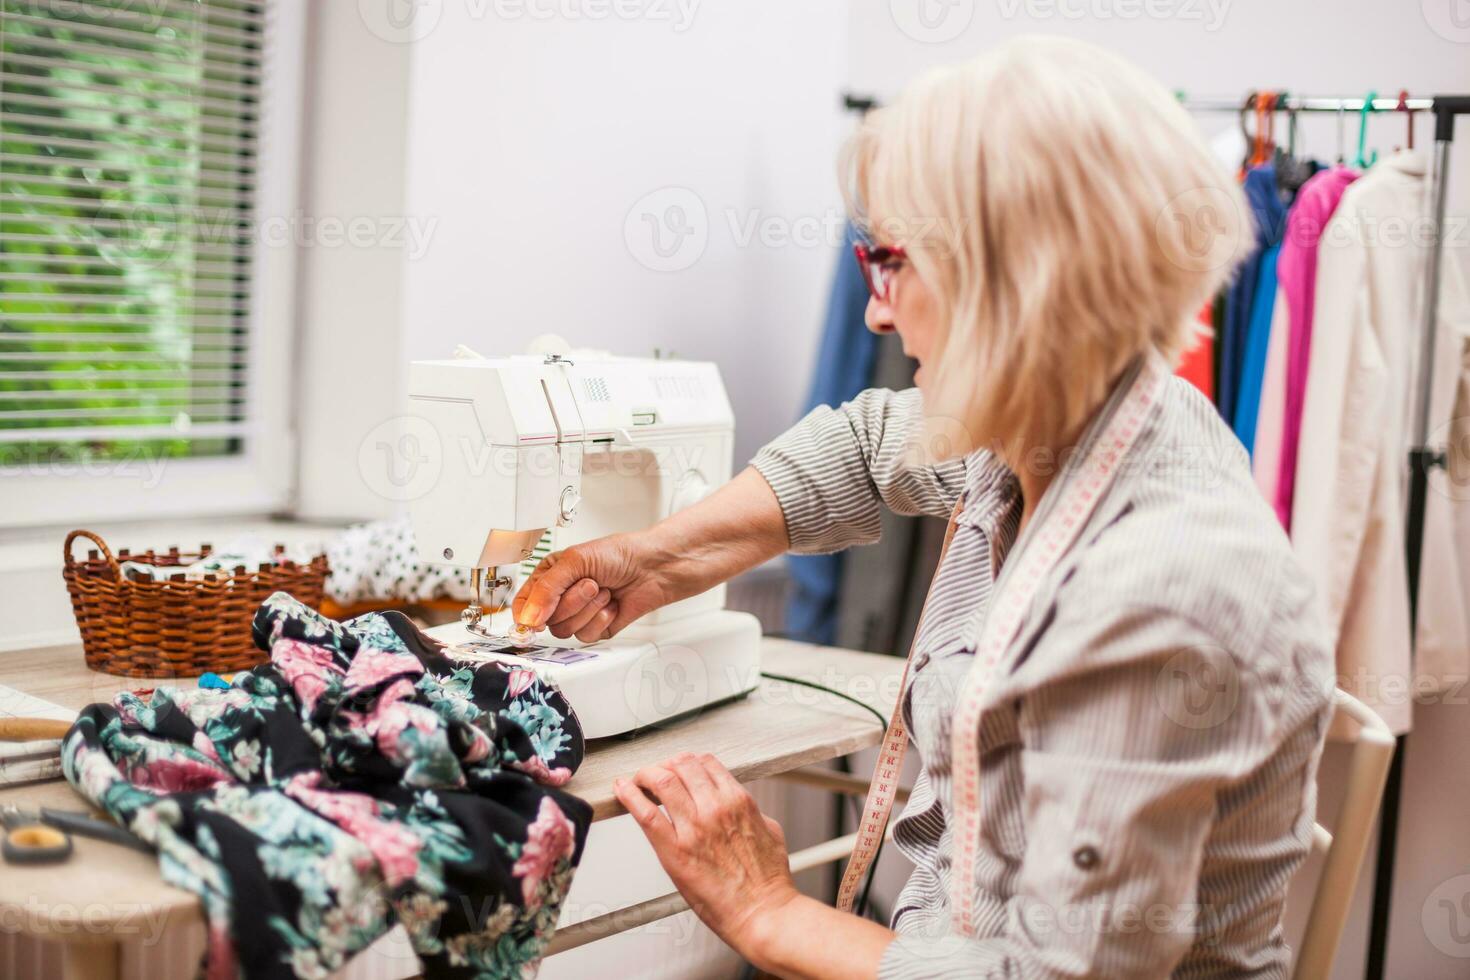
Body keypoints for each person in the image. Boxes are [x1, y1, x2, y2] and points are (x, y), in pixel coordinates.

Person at [512, 35, 1333, 979]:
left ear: (1013, 281)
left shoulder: (1160, 589)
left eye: (891, 263)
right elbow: (863, 448)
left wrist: (768, 913)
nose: (877, 314)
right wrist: (654, 563)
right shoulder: (1066, 424)